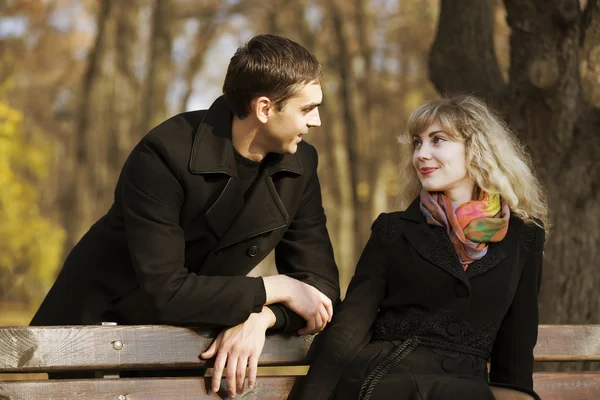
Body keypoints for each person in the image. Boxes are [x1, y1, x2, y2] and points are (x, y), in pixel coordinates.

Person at [30, 34, 340, 397]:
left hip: (195, 330)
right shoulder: (164, 154)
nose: (317, 121)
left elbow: (320, 288)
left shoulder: (301, 164)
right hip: (97, 329)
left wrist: (263, 315)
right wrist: (277, 288)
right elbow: (167, 290)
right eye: (306, 109)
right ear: (264, 109)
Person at [289, 95, 549, 400]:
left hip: (465, 391)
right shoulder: (394, 230)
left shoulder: (524, 237)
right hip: (388, 380)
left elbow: (516, 344)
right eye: (417, 142)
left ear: (477, 149)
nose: (421, 154)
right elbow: (350, 328)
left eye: (437, 140)